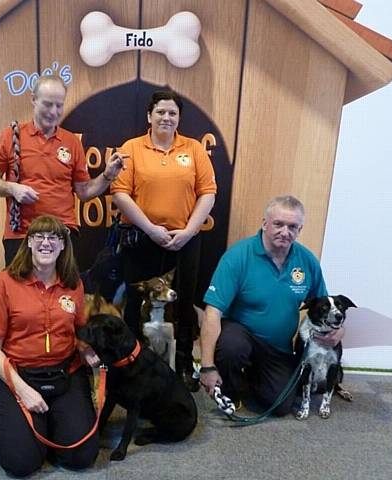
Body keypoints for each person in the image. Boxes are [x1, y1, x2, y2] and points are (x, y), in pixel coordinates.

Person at [199, 195, 343, 416]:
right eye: (278, 224)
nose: (285, 232)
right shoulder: (238, 256)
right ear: (265, 223)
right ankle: (231, 389)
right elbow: (212, 313)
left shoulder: (307, 261)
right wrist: (207, 366)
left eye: (292, 226)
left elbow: (326, 306)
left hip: (278, 347)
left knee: (282, 405)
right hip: (241, 335)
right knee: (231, 347)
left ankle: (253, 376)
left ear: (300, 229)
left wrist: (338, 331)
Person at [111, 90, 217, 389]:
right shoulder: (132, 148)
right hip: (142, 239)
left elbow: (208, 192)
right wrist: (150, 229)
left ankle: (183, 363)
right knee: (135, 303)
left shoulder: (194, 149)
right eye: (160, 112)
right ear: (149, 115)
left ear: (178, 118)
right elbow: (120, 193)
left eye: (172, 113)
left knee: (183, 303)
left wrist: (189, 231)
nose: (166, 118)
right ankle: (133, 364)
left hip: (183, 240)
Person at [0, 215, 100, 477]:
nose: (46, 243)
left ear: (63, 245)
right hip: (17, 375)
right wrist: (23, 390)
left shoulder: (73, 283)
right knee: (21, 464)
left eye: (54, 237)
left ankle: (48, 423)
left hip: (65, 372)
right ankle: (36, 426)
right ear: (29, 243)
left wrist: (86, 349)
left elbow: (78, 329)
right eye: (39, 236)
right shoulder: (3, 283)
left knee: (81, 457)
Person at [0, 74, 126, 265]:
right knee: (20, 293)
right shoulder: (11, 136)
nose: (54, 111)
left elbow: (84, 192)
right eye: (48, 104)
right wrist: (13, 189)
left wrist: (108, 175)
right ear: (33, 100)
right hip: (21, 234)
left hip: (62, 234)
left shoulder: (72, 142)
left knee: (62, 294)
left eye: (59, 105)